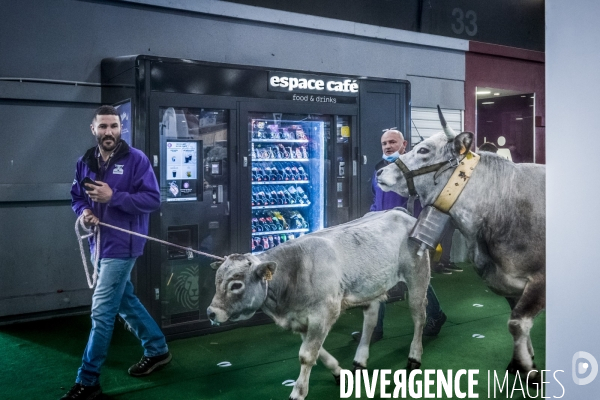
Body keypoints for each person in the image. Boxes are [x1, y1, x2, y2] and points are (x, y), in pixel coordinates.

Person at [62, 106, 171, 400]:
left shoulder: (137, 160)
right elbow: (76, 196)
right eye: (102, 127)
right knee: (124, 300)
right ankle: (158, 349)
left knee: (101, 311)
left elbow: (153, 199)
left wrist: (115, 197)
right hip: (99, 243)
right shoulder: (85, 161)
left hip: (124, 246)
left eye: (113, 126)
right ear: (93, 129)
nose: (108, 132)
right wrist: (84, 211)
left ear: (120, 128)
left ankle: (88, 382)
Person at [352, 129, 447, 343]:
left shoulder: (416, 170)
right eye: (384, 143)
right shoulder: (379, 170)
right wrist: (371, 219)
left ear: (404, 144)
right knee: (378, 280)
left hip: (407, 236)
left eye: (392, 142)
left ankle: (436, 315)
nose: (387, 146)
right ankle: (375, 328)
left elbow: (427, 203)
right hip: (380, 236)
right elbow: (376, 200)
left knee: (416, 280)